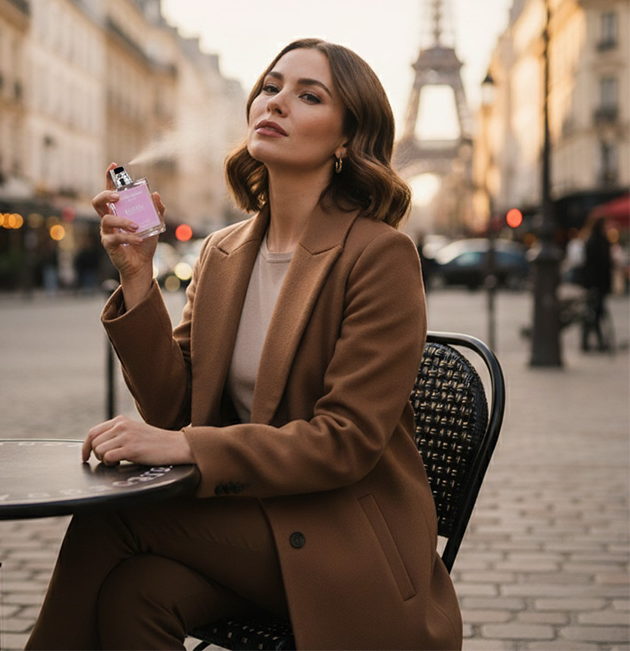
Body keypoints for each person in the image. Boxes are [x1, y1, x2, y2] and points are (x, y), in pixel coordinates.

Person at [26, 39, 462, 650]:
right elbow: (174, 408)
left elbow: (345, 442)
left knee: (117, 514)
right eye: (271, 86)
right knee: (137, 592)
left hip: (341, 536)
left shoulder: (380, 255)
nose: (278, 102)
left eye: (309, 96)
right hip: (251, 521)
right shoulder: (223, 252)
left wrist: (182, 446)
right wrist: (136, 276)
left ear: (346, 139)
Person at [581, 216, 612, 352]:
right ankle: (593, 342)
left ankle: (593, 342)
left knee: (594, 313)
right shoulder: (596, 242)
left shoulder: (596, 241)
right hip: (596, 283)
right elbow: (598, 265)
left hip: (596, 283)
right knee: (594, 313)